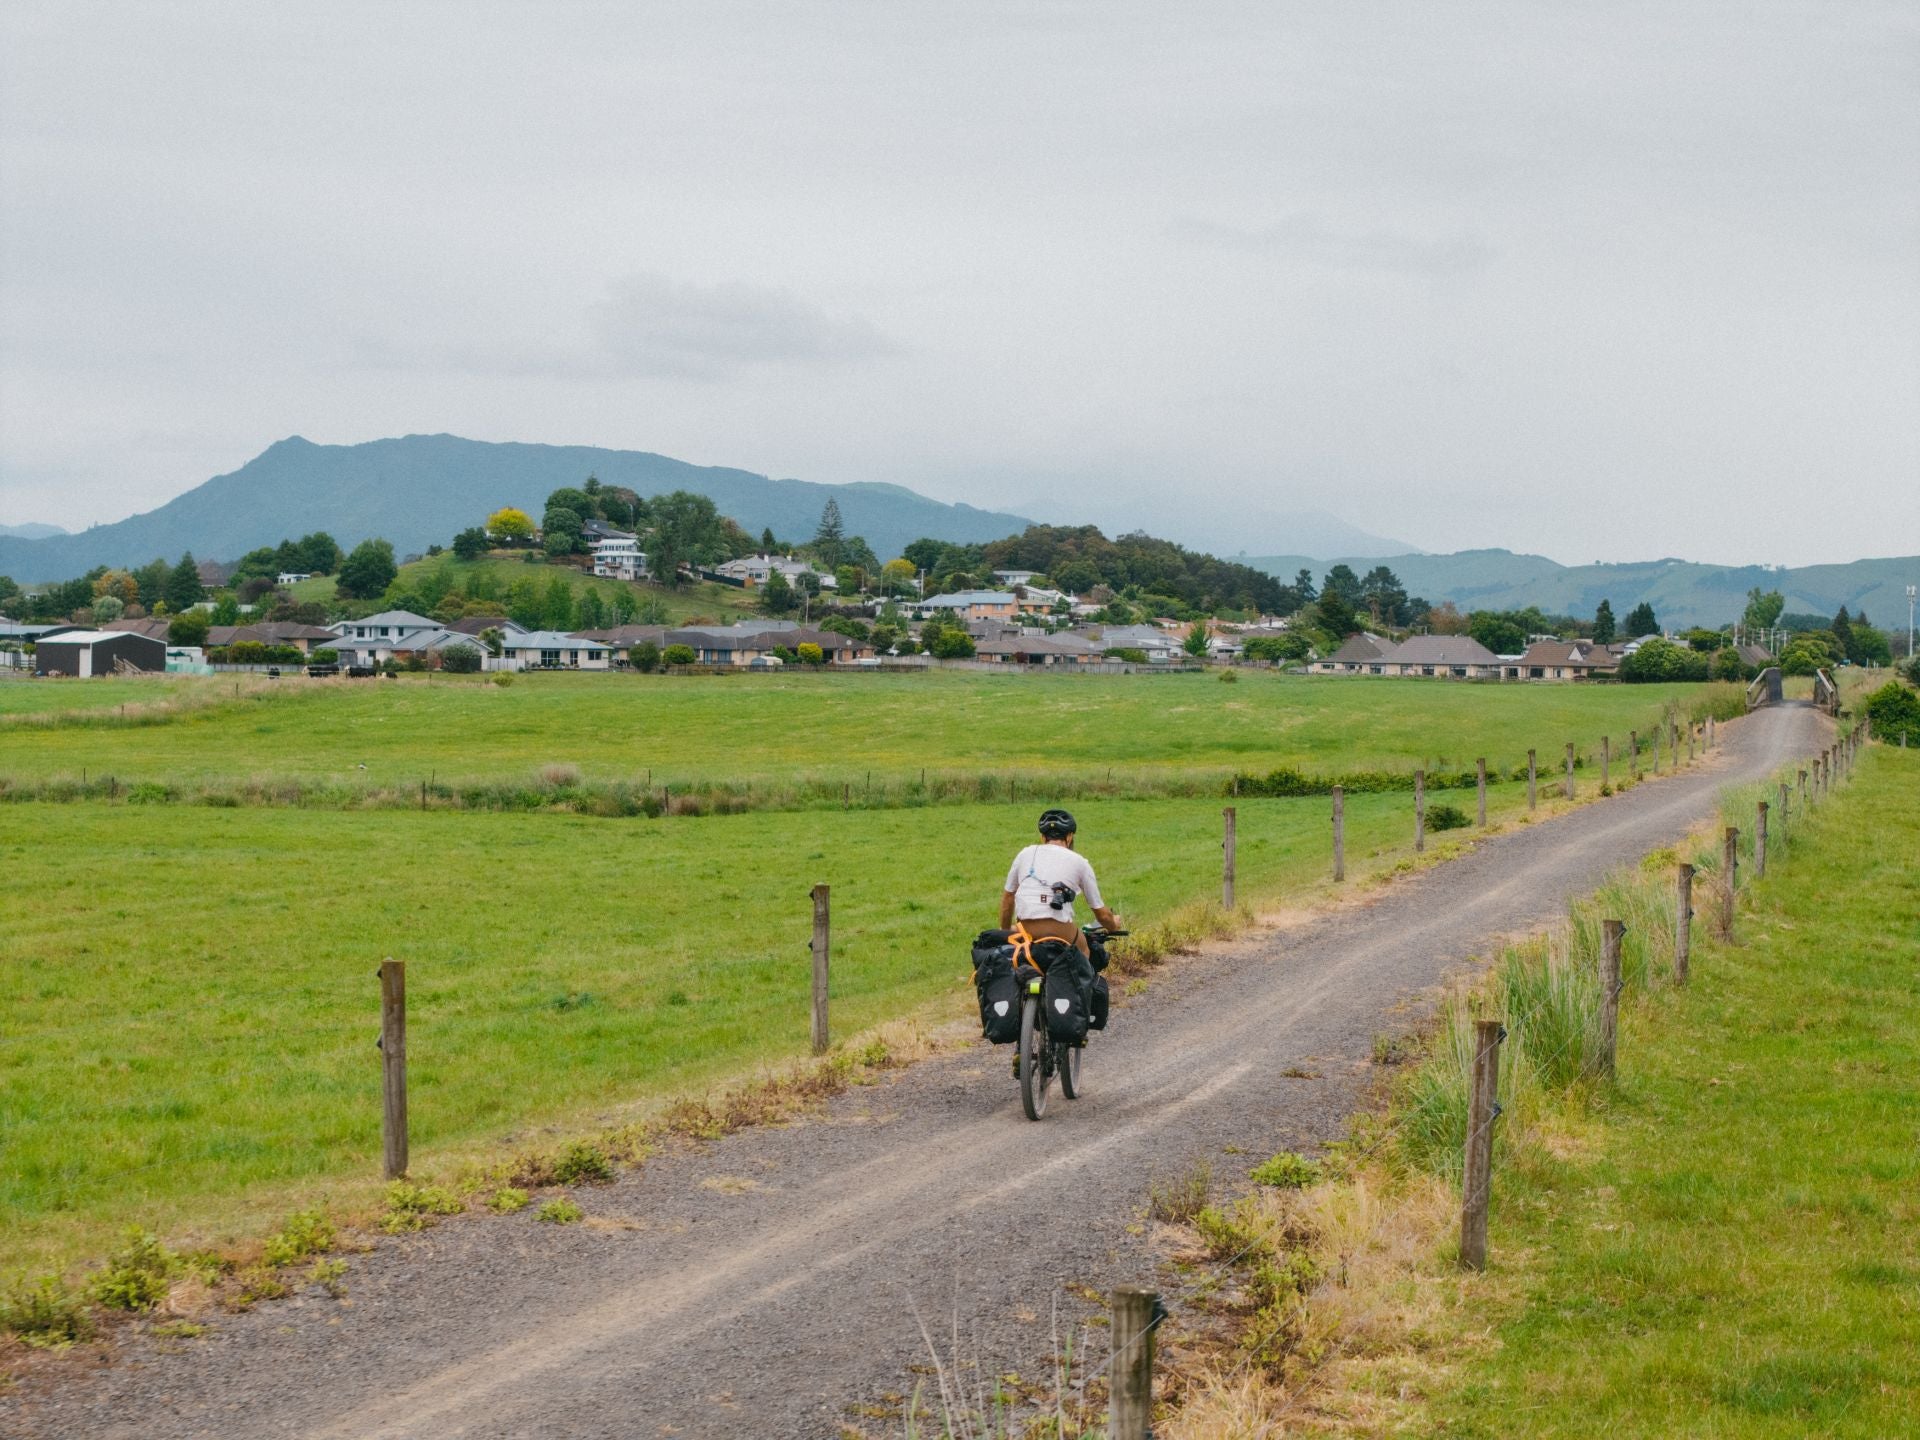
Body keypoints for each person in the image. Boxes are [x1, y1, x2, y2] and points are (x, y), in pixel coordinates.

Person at [999, 808, 1121, 958]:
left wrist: (1004, 933)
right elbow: (1102, 915)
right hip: (1059, 929)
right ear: (1069, 837)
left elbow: (1008, 898)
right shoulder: (1079, 862)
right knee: (1084, 950)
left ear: (1043, 837)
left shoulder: (1025, 853)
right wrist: (1113, 925)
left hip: (1025, 928)